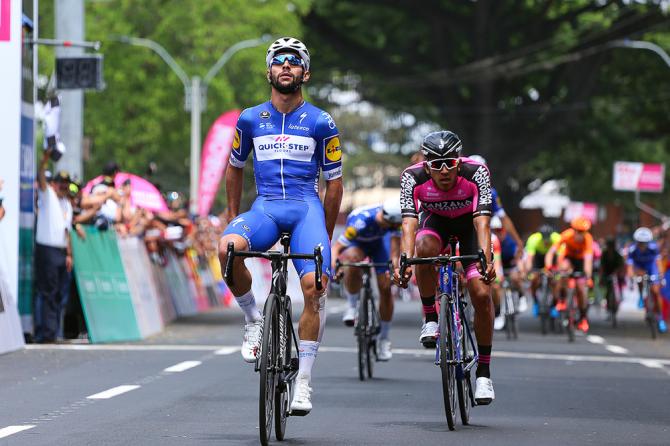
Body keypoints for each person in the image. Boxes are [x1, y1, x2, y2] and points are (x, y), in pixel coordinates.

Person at [218, 37, 343, 415]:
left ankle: (303, 381)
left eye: (294, 61)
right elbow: (234, 169)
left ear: (305, 72)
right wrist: (232, 215)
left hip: (307, 210)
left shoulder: (322, 121)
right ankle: (253, 319)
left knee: (314, 286)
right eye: (279, 61)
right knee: (227, 248)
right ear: (268, 71)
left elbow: (334, 184)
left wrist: (325, 232)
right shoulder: (250, 118)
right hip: (266, 208)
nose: (286, 66)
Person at [393, 130, 497, 405]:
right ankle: (430, 317)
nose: (444, 170)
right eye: (436, 164)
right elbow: (408, 223)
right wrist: (404, 258)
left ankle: (484, 373)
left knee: (482, 294)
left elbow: (483, 223)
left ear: (459, 161)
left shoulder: (477, 173)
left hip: (469, 229)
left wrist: (487, 257)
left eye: (449, 162)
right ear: (426, 164)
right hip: (434, 224)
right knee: (423, 250)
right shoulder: (412, 177)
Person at [331, 199, 401, 361]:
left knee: (385, 287)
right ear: (386, 219)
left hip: (378, 246)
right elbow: (337, 248)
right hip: (358, 244)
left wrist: (394, 268)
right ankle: (352, 305)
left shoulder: (394, 221)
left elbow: (395, 252)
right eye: (390, 227)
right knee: (351, 259)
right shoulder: (360, 223)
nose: (392, 229)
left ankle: (384, 338)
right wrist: (336, 267)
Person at [35, 149, 73, 343]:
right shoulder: (47, 195)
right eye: (60, 184)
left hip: (59, 251)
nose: (63, 187)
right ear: (54, 184)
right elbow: (41, 176)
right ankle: (46, 333)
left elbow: (67, 232)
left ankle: (53, 331)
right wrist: (44, 160)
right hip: (47, 248)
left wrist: (69, 254)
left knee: (58, 293)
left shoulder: (68, 204)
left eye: (66, 185)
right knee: (47, 292)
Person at [545, 216, 594, 333]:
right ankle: (562, 300)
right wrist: (548, 266)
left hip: (581, 261)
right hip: (569, 258)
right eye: (578, 231)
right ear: (573, 230)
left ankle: (583, 318)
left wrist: (588, 277)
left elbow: (588, 261)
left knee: (581, 289)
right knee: (563, 270)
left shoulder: (588, 239)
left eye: (583, 232)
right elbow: (551, 252)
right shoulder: (566, 235)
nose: (580, 235)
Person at [626, 227, 666, 333]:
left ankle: (661, 318)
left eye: (645, 243)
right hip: (639, 267)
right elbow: (630, 266)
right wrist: (631, 277)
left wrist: (661, 275)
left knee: (656, 292)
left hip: (651, 267)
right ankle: (640, 296)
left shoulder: (653, 248)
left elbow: (658, 262)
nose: (642, 245)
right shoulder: (632, 249)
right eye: (640, 243)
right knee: (639, 279)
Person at [525, 224, 561, 314]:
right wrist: (529, 270)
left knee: (555, 280)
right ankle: (536, 301)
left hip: (553, 258)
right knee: (534, 279)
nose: (546, 241)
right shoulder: (533, 239)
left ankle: (554, 303)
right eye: (544, 239)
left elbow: (560, 257)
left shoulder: (557, 238)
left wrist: (558, 271)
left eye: (548, 239)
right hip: (538, 258)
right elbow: (530, 258)